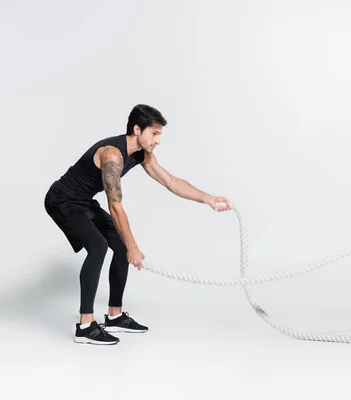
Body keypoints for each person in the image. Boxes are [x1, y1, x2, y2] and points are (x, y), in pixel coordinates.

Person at [44, 104, 231, 345]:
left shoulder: (142, 153)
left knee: (120, 247)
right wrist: (133, 246)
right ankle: (85, 325)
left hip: (83, 201)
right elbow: (115, 206)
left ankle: (114, 315)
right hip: (62, 200)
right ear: (136, 129)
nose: (158, 140)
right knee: (99, 247)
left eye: (159, 134)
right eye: (154, 133)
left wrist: (208, 198)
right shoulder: (112, 154)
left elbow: (171, 181)